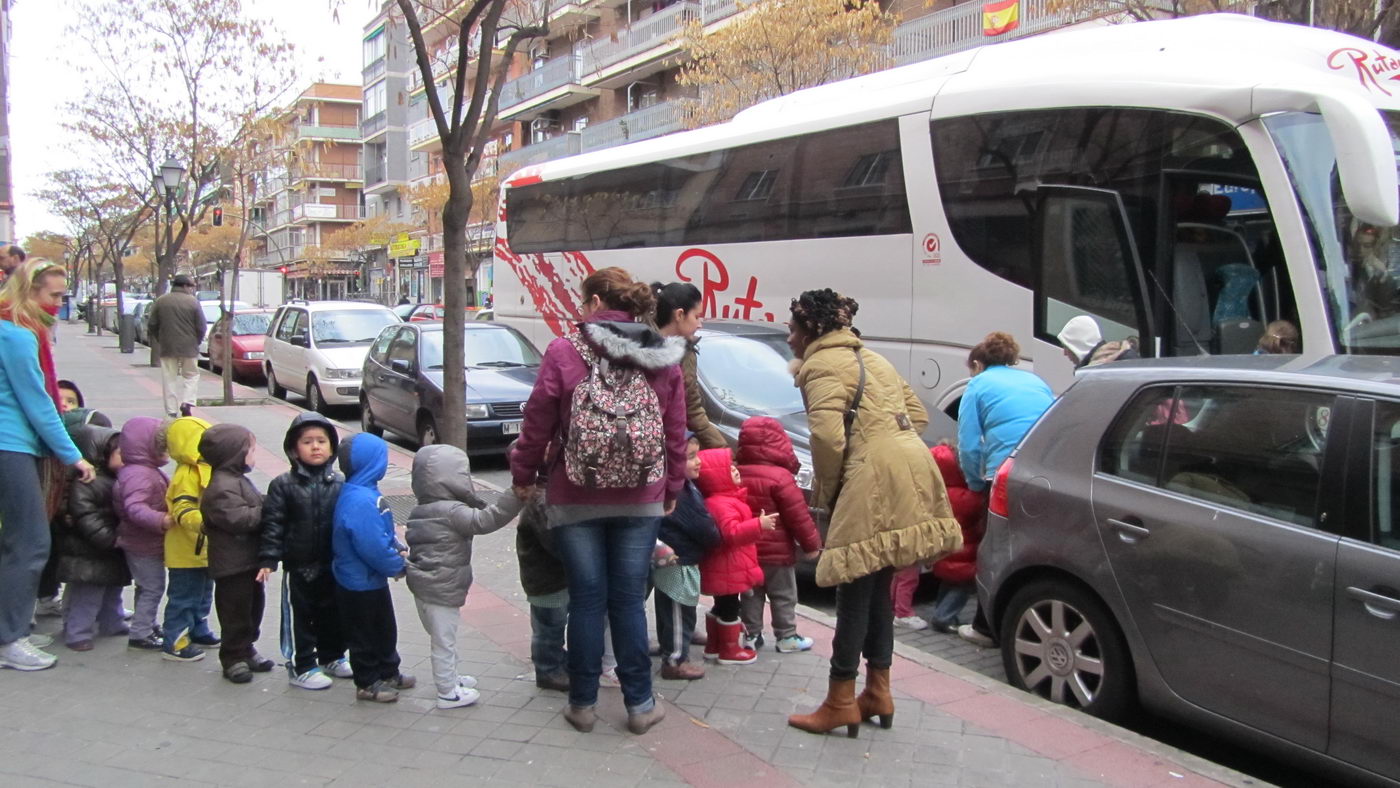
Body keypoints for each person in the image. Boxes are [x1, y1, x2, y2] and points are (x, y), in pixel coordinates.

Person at [509, 266, 687, 736]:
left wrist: (523, 474)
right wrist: (671, 490)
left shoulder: (565, 350)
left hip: (575, 494)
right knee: (628, 601)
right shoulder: (662, 355)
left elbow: (537, 422)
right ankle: (640, 704)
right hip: (642, 496)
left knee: (587, 601)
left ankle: (583, 704)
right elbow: (675, 432)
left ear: (591, 304)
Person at [785, 288, 961, 737]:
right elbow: (917, 414)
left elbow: (826, 440)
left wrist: (830, 489)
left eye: (792, 329)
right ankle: (879, 691)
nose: (788, 338)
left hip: (871, 477)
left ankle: (840, 698)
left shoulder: (821, 365)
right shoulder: (875, 359)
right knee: (878, 584)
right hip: (911, 467)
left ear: (811, 331)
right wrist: (886, 439)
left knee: (851, 590)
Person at [0, 271, 94, 670]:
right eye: (54, 296)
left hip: (12, 444)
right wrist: (73, 455)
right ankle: (10, 638)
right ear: (30, 290)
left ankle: (12, 627)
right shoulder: (18, 336)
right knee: (31, 543)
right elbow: (39, 403)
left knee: (19, 542)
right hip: (11, 445)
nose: (58, 304)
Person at [405, 444, 524, 709]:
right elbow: (486, 520)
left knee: (442, 637)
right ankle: (447, 692)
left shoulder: (420, 510)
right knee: (443, 642)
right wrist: (514, 496)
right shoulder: (451, 511)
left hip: (424, 586)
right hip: (442, 588)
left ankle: (453, 677)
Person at [955, 331, 1054, 647]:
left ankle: (984, 627)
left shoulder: (978, 386)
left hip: (1004, 475)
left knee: (995, 549)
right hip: (1045, 471)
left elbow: (969, 446)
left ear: (978, 364)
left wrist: (974, 483)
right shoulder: (1035, 381)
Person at [258, 412, 350, 690]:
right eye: (307, 441)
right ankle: (303, 665)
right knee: (302, 617)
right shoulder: (283, 485)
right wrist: (268, 559)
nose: (315, 447)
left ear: (332, 446)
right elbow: (273, 524)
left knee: (333, 613)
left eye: (321, 441)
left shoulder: (340, 483)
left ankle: (332, 655)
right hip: (300, 566)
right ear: (293, 448)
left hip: (332, 565)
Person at [331, 433, 415, 703]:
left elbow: (382, 532)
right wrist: (396, 565)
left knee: (384, 628)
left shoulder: (366, 492)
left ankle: (388, 671)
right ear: (370, 463)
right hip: (357, 583)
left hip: (370, 580)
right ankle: (367, 681)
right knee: (364, 634)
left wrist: (397, 545)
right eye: (382, 459)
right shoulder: (360, 500)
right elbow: (371, 545)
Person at [736, 416, 822, 652]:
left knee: (751, 595)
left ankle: (751, 636)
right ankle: (786, 636)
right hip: (778, 554)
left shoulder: (737, 473)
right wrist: (811, 545)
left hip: (747, 550)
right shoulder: (781, 478)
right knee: (783, 595)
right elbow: (799, 516)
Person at [200, 424, 273, 684]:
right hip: (232, 565)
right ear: (235, 453)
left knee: (254, 608)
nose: (255, 455)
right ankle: (232, 656)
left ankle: (247, 648)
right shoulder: (221, 486)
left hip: (248, 560)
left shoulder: (238, 479)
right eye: (251, 450)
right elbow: (239, 519)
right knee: (235, 613)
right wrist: (269, 510)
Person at [695, 447, 775, 665]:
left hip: (726, 566)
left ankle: (714, 646)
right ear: (716, 478)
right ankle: (729, 650)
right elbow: (731, 533)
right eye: (728, 468)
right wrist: (759, 524)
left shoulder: (724, 500)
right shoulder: (721, 504)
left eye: (733, 465)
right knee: (730, 607)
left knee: (722, 605)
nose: (735, 469)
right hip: (728, 567)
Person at [56, 424, 130, 651]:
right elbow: (86, 516)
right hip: (91, 550)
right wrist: (108, 538)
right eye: (121, 454)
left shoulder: (114, 479)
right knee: (87, 594)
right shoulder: (88, 482)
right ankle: (77, 632)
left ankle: (112, 621)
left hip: (107, 548)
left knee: (112, 589)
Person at [654, 435, 720, 680]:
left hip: (675, 557)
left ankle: (671, 644)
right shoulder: (680, 493)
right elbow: (702, 527)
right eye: (690, 457)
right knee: (678, 610)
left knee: (671, 608)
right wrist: (716, 537)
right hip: (679, 559)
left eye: (697, 455)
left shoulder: (683, 485)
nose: (698, 462)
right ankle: (675, 660)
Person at [162, 416, 219, 662]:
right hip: (186, 550)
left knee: (204, 593)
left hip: (205, 548)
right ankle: (175, 640)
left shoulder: (211, 469)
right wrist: (204, 523)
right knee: (184, 596)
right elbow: (181, 509)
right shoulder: (187, 473)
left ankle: (198, 627)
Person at [113, 416, 171, 653]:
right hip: (142, 543)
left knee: (146, 586)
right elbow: (135, 508)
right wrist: (162, 520)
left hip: (141, 541)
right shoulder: (141, 475)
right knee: (153, 587)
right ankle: (141, 633)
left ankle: (146, 624)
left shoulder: (142, 470)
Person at [652, 282, 726, 450]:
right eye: (696, 316)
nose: (700, 324)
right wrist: (723, 449)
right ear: (679, 315)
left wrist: (722, 449)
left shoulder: (686, 352)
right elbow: (693, 411)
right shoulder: (642, 351)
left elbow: (692, 408)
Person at [925, 443, 987, 633]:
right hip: (963, 551)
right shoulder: (968, 496)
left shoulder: (939, 492)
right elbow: (978, 510)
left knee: (948, 581)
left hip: (945, 549)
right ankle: (943, 617)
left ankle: (942, 611)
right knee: (963, 584)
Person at [516, 487, 570, 692]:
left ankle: (554, 663)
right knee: (549, 628)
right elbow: (556, 542)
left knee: (551, 626)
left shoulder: (546, 499)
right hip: (547, 580)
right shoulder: (542, 502)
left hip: (552, 578)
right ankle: (548, 670)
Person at [146, 274, 206, 418]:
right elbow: (201, 326)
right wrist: (196, 341)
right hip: (189, 346)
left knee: (169, 378)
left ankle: (171, 411)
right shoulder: (193, 302)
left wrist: (160, 339)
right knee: (191, 375)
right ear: (185, 286)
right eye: (191, 286)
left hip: (167, 346)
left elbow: (152, 324)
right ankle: (187, 402)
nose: (192, 289)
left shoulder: (161, 301)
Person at [1056, 315, 1139, 370]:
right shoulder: (1106, 363)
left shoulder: (1108, 369)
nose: (1065, 353)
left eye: (1067, 347)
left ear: (1078, 346)